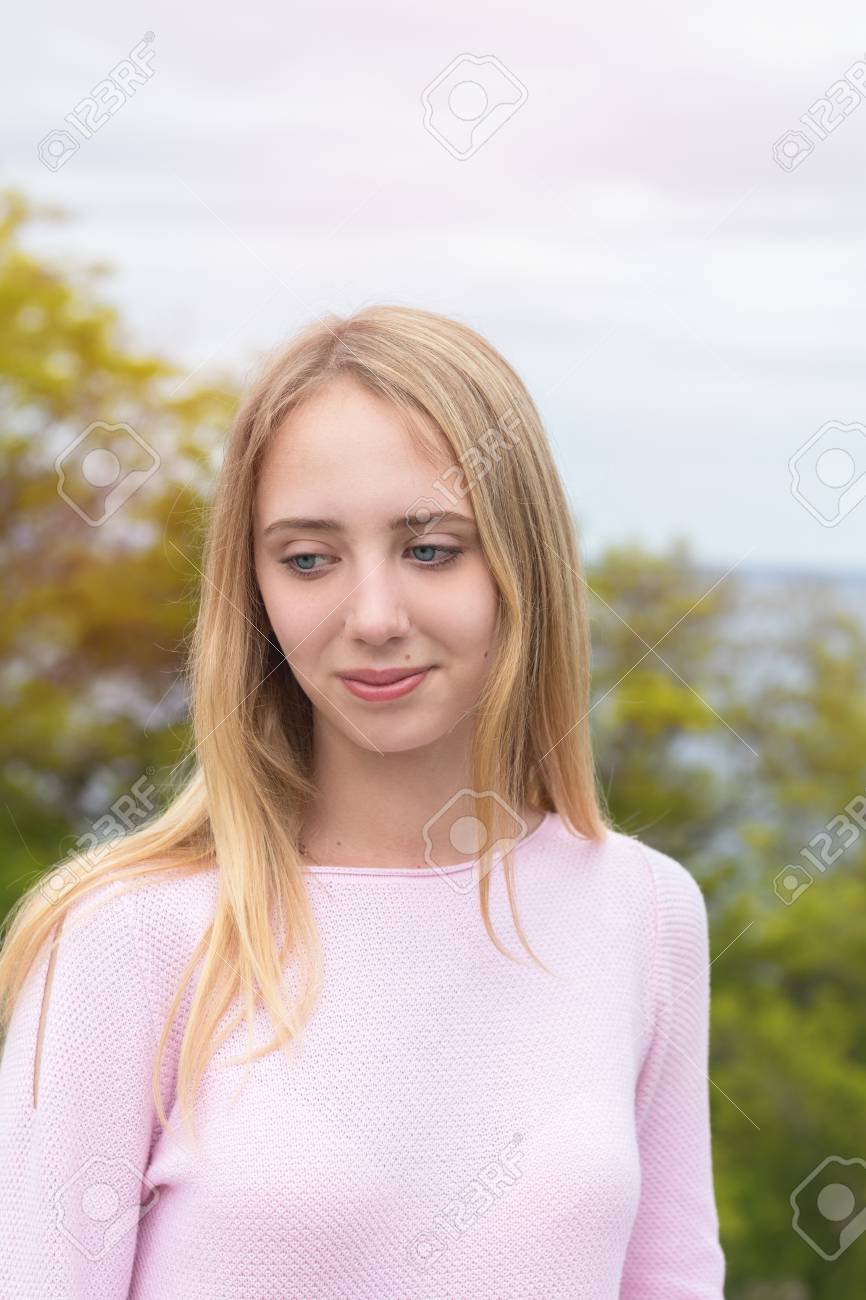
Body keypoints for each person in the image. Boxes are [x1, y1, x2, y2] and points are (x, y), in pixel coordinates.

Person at [0, 304, 726, 1297]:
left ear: (523, 565)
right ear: (250, 588)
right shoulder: (130, 941)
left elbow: (671, 1280)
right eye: (307, 559)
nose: (372, 617)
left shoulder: (643, 912)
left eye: (430, 549)